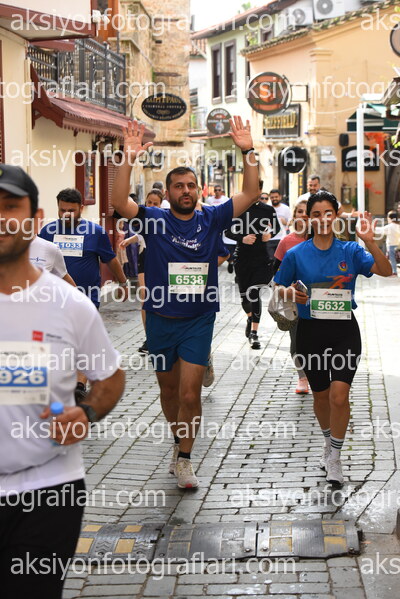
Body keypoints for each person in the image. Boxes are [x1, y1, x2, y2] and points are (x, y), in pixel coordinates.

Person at [111, 117, 259, 489]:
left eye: (191, 185)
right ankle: (178, 441)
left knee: (190, 393)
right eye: (179, 186)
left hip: (198, 318)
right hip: (160, 318)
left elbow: (251, 193)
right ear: (170, 192)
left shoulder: (212, 217)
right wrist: (128, 157)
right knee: (169, 392)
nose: (186, 190)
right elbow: (118, 202)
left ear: (198, 189)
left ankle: (186, 459)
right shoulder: (154, 219)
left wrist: (247, 150)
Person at [0, 164, 124, 599]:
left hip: (47, 492)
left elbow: (110, 376)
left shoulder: (69, 305)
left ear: (35, 219)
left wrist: (86, 412)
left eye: (10, 206)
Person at [274, 191, 392, 485]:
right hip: (311, 332)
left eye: (328, 213)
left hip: (344, 333)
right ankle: (328, 442)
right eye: (316, 214)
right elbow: (277, 287)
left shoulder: (350, 251)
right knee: (321, 395)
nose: (323, 219)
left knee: (339, 396)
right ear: (309, 218)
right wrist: (292, 293)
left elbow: (386, 270)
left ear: (336, 216)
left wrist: (370, 241)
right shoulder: (296, 254)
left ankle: (335, 458)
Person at [39, 188, 128, 402]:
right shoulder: (48, 232)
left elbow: (110, 258)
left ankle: (79, 385)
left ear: (81, 208)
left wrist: (123, 282)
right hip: (54, 299)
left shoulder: (95, 232)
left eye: (71, 210)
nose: (66, 214)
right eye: (62, 210)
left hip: (86, 298)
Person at [226, 190, 280, 349]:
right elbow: (226, 231)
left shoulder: (267, 210)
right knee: (245, 296)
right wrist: (242, 238)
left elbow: (276, 228)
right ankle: (250, 317)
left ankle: (254, 333)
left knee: (254, 292)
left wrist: (269, 234)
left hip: (261, 258)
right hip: (242, 258)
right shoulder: (237, 209)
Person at [119, 188, 164, 354]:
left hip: (160, 258)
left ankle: (162, 335)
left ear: (161, 204)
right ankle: (149, 338)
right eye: (149, 202)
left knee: (159, 297)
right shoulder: (143, 216)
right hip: (145, 256)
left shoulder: (165, 217)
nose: (151, 206)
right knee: (145, 298)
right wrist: (129, 240)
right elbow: (141, 235)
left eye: (155, 203)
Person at [273, 199, 309, 394]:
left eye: (308, 212)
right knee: (297, 340)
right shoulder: (286, 242)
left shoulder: (322, 240)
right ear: (294, 216)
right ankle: (302, 377)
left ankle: (318, 374)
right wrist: (286, 290)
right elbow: (276, 276)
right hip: (294, 300)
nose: (304, 215)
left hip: (318, 298)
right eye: (300, 212)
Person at [266, 188, 291, 262]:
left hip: (281, 238)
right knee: (271, 260)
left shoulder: (285, 208)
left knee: (280, 261)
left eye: (276, 197)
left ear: (280, 197)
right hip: (270, 238)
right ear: (270, 198)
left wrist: (285, 222)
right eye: (272, 197)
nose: (274, 199)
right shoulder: (267, 208)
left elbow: (290, 222)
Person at [375, 211, 400, 276]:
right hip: (398, 245)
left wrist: (372, 227)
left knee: (392, 259)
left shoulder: (390, 227)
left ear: (390, 218)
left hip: (391, 245)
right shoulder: (398, 226)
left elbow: (380, 230)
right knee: (395, 259)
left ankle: (394, 272)